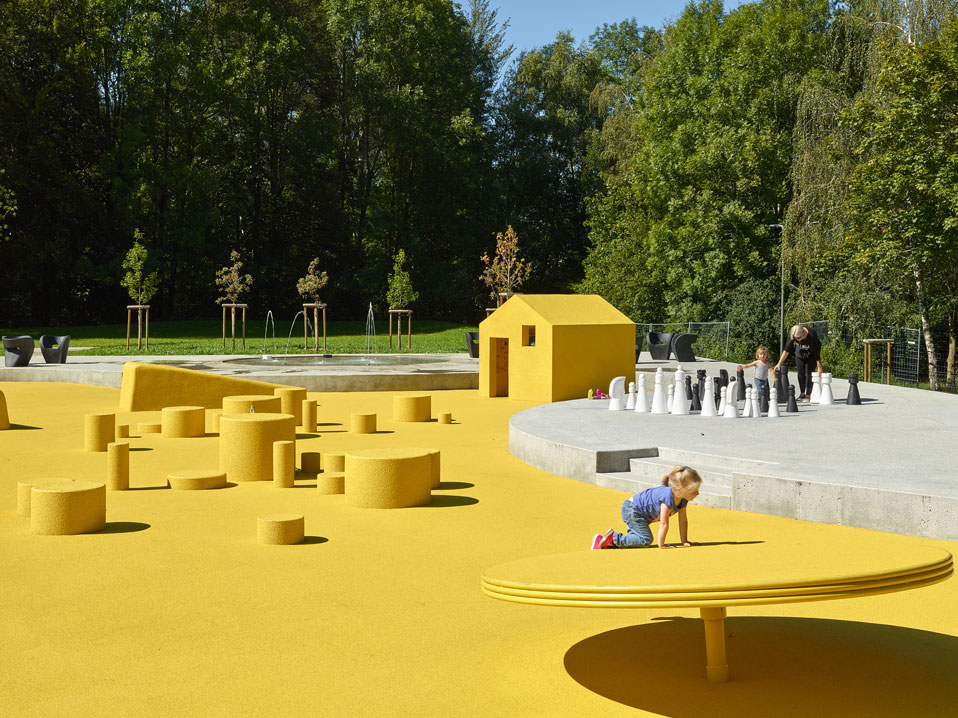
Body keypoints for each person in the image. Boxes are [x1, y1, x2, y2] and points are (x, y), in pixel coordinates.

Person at [591, 466, 702, 549]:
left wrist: (685, 541)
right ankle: (612, 539)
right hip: (632, 510)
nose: (697, 493)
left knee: (637, 539)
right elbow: (664, 523)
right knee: (645, 539)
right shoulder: (667, 497)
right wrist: (661, 545)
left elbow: (683, 521)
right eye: (693, 491)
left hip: (638, 512)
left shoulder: (683, 499)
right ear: (679, 489)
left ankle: (609, 542)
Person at [773, 324, 822, 401]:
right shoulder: (794, 333)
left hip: (812, 354)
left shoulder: (811, 334)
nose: (798, 340)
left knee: (809, 373)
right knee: (800, 372)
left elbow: (816, 351)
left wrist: (819, 367)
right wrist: (779, 363)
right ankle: (802, 393)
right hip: (800, 352)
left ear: (804, 333)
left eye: (799, 338)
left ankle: (808, 394)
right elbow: (787, 350)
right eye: (796, 339)